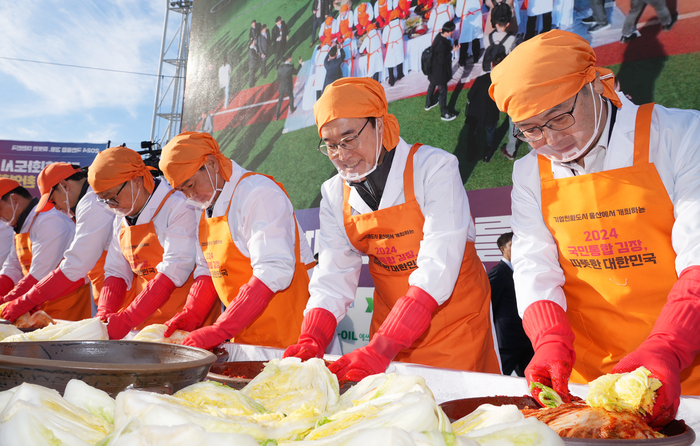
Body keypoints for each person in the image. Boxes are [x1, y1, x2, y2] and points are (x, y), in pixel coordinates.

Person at [489, 30, 700, 428]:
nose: (551, 140)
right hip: (592, 377)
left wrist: (669, 347)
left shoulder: (680, 135)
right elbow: (534, 264)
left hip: (686, 360)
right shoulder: (528, 170)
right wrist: (549, 339)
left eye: (559, 118)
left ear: (593, 84)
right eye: (531, 130)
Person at [283, 78, 501, 382]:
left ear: (381, 125)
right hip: (388, 332)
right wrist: (312, 338)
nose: (342, 156)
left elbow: (439, 266)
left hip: (455, 327)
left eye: (349, 140)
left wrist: (382, 348)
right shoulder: (333, 193)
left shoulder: (434, 167)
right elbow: (333, 277)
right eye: (331, 146)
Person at [158, 132, 315, 350]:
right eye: (182, 190)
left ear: (211, 164)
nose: (189, 196)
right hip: (244, 335)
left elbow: (274, 268)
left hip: (291, 334)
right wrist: (192, 313)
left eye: (191, 185)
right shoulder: (205, 203)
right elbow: (208, 269)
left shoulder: (257, 193)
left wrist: (222, 328)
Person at [88, 146, 219, 340]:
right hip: (145, 324)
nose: (112, 206)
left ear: (136, 181)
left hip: (184, 324)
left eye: (113, 197)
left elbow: (174, 269)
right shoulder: (122, 214)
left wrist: (127, 318)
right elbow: (116, 271)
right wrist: (105, 312)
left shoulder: (179, 206)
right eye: (105, 201)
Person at [1, 163, 116, 322]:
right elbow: (81, 272)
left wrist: (25, 300)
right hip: (109, 298)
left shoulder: (90, 204)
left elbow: (75, 265)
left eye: (53, 200)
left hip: (74, 308)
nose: (58, 208)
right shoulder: (87, 204)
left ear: (64, 186)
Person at [0, 178, 91, 320]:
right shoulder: (20, 226)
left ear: (14, 199)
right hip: (36, 305)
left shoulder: (50, 220)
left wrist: (7, 301)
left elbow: (39, 274)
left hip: (65, 307)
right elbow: (12, 269)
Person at [488, 232, 534, 377]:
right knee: (499, 379)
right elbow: (490, 305)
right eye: (512, 245)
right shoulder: (498, 272)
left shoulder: (523, 271)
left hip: (527, 337)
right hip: (507, 341)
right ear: (503, 249)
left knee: (533, 380)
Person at [465, 45, 504, 162]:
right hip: (491, 113)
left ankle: (471, 153)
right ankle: (488, 154)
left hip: (476, 113)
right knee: (490, 134)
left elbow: (470, 95)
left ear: (492, 64)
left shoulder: (481, 79)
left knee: (472, 133)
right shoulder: (503, 82)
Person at [426, 21, 459, 121]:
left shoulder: (438, 37)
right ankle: (444, 113)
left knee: (432, 85)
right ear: (448, 32)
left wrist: (449, 49)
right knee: (443, 92)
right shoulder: (442, 43)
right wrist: (452, 52)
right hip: (440, 72)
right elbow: (442, 60)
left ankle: (429, 103)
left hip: (433, 70)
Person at [456, 0, 484, 67]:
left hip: (467, 21)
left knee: (464, 41)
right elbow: (481, 6)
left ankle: (462, 61)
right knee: (476, 39)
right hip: (477, 19)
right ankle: (476, 58)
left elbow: (458, 14)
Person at [275, 55, 304, 120]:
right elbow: (296, 72)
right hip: (288, 86)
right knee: (291, 97)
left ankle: (276, 116)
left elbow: (279, 77)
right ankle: (292, 109)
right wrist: (300, 64)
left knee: (280, 100)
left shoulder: (281, 67)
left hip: (282, 86)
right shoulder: (290, 67)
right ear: (289, 59)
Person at [382, 9, 405, 87]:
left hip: (391, 46)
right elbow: (403, 31)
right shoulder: (401, 22)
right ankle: (400, 74)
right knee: (399, 57)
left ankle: (391, 79)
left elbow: (384, 41)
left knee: (390, 62)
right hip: (399, 43)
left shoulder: (387, 28)